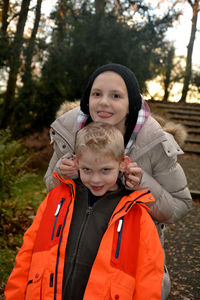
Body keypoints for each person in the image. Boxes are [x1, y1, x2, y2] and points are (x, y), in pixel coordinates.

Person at [44, 63, 192, 299]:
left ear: (130, 103)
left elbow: (179, 206)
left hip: (127, 273)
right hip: (69, 263)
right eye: (96, 94)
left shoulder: (155, 144)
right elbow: (50, 189)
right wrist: (60, 175)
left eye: (115, 95)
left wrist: (143, 183)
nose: (103, 102)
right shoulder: (70, 131)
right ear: (87, 99)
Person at [5, 122, 164, 300]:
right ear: (76, 163)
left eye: (105, 170)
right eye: (87, 170)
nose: (96, 179)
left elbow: (149, 276)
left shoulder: (136, 215)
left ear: (122, 164)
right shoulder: (56, 200)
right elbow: (27, 253)